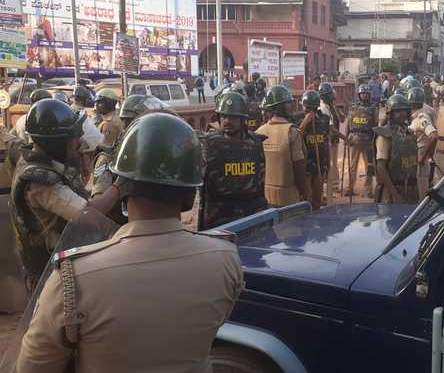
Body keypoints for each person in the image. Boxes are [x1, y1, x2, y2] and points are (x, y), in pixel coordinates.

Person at [15, 112, 245, 372]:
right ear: (191, 195)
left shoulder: (72, 278)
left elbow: (32, 367)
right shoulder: (226, 258)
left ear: (122, 188)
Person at [8, 99, 122, 293]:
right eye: (72, 138)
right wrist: (121, 185)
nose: (77, 143)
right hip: (50, 277)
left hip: (57, 266)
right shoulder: (40, 182)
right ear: (56, 142)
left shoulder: (33, 158)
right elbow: (88, 214)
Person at [199, 91, 268, 228]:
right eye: (224, 116)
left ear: (243, 119)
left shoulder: (255, 143)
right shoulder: (209, 143)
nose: (227, 121)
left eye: (233, 117)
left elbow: (261, 183)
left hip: (251, 215)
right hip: (219, 217)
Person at [256, 85, 308, 207]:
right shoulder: (292, 132)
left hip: (265, 195)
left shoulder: (258, 132)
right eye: (288, 104)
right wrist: (303, 191)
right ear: (281, 107)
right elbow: (299, 166)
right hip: (289, 195)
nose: (292, 107)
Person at [373, 94, 418, 204]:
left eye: (404, 110)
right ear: (390, 114)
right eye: (397, 111)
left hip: (410, 189)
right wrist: (395, 195)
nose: (402, 114)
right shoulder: (385, 135)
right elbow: (381, 167)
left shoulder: (409, 133)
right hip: (391, 192)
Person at [299, 90, 331, 209]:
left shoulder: (324, 119)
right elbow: (296, 138)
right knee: (306, 199)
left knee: (317, 198)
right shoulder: (298, 119)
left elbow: (326, 141)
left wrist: (327, 162)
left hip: (319, 164)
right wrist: (305, 122)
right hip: (305, 165)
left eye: (306, 107)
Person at [346, 85, 378, 198]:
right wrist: (346, 137)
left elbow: (375, 124)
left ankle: (368, 190)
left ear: (369, 95)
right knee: (352, 166)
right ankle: (350, 188)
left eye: (366, 93)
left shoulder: (373, 108)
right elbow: (348, 123)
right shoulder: (353, 107)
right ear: (359, 95)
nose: (364, 95)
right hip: (354, 139)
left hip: (368, 140)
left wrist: (375, 140)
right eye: (362, 93)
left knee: (369, 166)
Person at [407, 87, 438, 198]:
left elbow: (434, 136)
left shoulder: (422, 117)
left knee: (422, 187)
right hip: (415, 154)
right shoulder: (414, 116)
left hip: (421, 154)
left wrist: (425, 156)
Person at [318, 82, 346, 196]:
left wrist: (338, 109)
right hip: (327, 139)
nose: (333, 97)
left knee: (334, 162)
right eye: (331, 95)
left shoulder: (330, 106)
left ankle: (334, 184)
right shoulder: (323, 108)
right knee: (329, 163)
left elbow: (342, 120)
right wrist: (345, 138)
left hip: (334, 139)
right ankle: (329, 188)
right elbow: (331, 128)